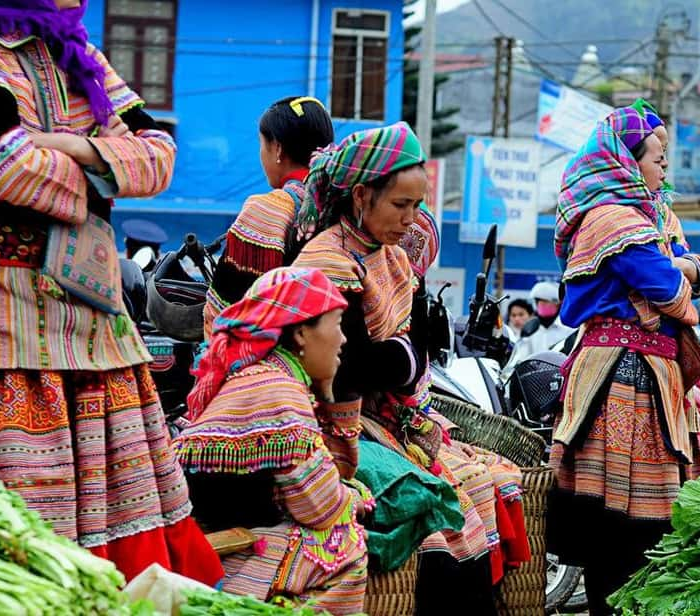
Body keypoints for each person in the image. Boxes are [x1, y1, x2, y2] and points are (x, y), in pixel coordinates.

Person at [0, 0, 221, 585]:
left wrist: (63, 147)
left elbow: (160, 156)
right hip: (3, 312)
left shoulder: (80, 57)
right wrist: (101, 170)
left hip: (95, 313)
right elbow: (6, 168)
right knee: (8, 518)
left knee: (124, 502)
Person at [292, 122, 526, 615]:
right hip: (335, 422)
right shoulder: (326, 260)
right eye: (401, 205)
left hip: (391, 417)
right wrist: (402, 358)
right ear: (361, 195)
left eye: (418, 206)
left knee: (481, 486)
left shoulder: (394, 260)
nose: (411, 219)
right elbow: (351, 366)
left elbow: (412, 350)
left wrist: (400, 358)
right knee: (438, 504)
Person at [548, 107, 700, 616]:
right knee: (616, 521)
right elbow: (671, 287)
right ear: (626, 160)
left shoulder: (658, 216)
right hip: (620, 378)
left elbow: (691, 282)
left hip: (660, 377)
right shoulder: (609, 219)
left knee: (653, 525)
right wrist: (682, 272)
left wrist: (680, 272)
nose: (665, 167)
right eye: (657, 157)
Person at [175, 267, 369, 615]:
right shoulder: (279, 391)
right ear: (300, 334)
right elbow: (321, 508)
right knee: (344, 543)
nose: (343, 340)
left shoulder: (268, 378)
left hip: (236, 525)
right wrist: (354, 499)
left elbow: (329, 473)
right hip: (232, 543)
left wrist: (325, 395)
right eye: (337, 323)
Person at [203, 96, 334, 338]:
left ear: (278, 149)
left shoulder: (268, 210)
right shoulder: (346, 202)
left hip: (281, 361)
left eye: (262, 144)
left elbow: (226, 308)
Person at [507, 281, 574, 367]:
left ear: (557, 303)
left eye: (545, 302)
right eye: (538, 302)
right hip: (534, 376)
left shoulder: (568, 328)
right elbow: (521, 358)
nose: (541, 305)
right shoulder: (530, 329)